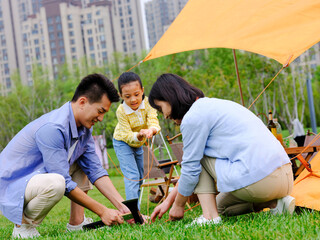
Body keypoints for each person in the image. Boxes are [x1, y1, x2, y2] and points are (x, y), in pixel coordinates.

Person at [148, 73, 295, 226]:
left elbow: (191, 168)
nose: (164, 116)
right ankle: (276, 204)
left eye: (160, 108)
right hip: (285, 176)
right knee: (219, 207)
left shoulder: (193, 118)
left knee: (198, 158)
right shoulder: (214, 105)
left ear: (170, 97)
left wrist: (178, 206)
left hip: (260, 180)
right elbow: (190, 168)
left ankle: (210, 218)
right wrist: (168, 202)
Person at [0, 73, 131, 238]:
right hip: (12, 184)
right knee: (57, 182)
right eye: (100, 111)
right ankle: (23, 227)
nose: (101, 118)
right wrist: (102, 211)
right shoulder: (53, 128)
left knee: (83, 163)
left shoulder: (84, 129)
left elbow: (95, 169)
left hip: (35, 180)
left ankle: (77, 222)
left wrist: (125, 208)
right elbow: (64, 182)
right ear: (82, 102)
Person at [113, 72, 161, 206]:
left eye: (136, 94)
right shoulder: (121, 111)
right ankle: (134, 213)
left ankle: (135, 209)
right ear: (121, 95)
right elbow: (128, 135)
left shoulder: (148, 103)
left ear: (142, 91)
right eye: (127, 96)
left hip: (138, 142)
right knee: (132, 176)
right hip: (122, 142)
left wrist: (151, 130)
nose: (133, 100)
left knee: (140, 177)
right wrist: (139, 135)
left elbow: (153, 121)